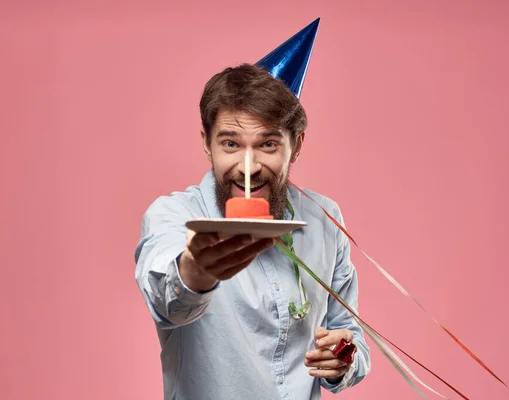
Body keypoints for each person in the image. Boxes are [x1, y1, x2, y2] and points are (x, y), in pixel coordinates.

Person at [134, 20, 371, 400]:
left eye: (268, 144)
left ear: (296, 146)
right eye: (230, 143)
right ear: (207, 145)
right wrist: (197, 270)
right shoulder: (173, 215)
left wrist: (344, 358)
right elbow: (166, 297)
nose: (247, 166)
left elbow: (350, 335)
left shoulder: (325, 219)